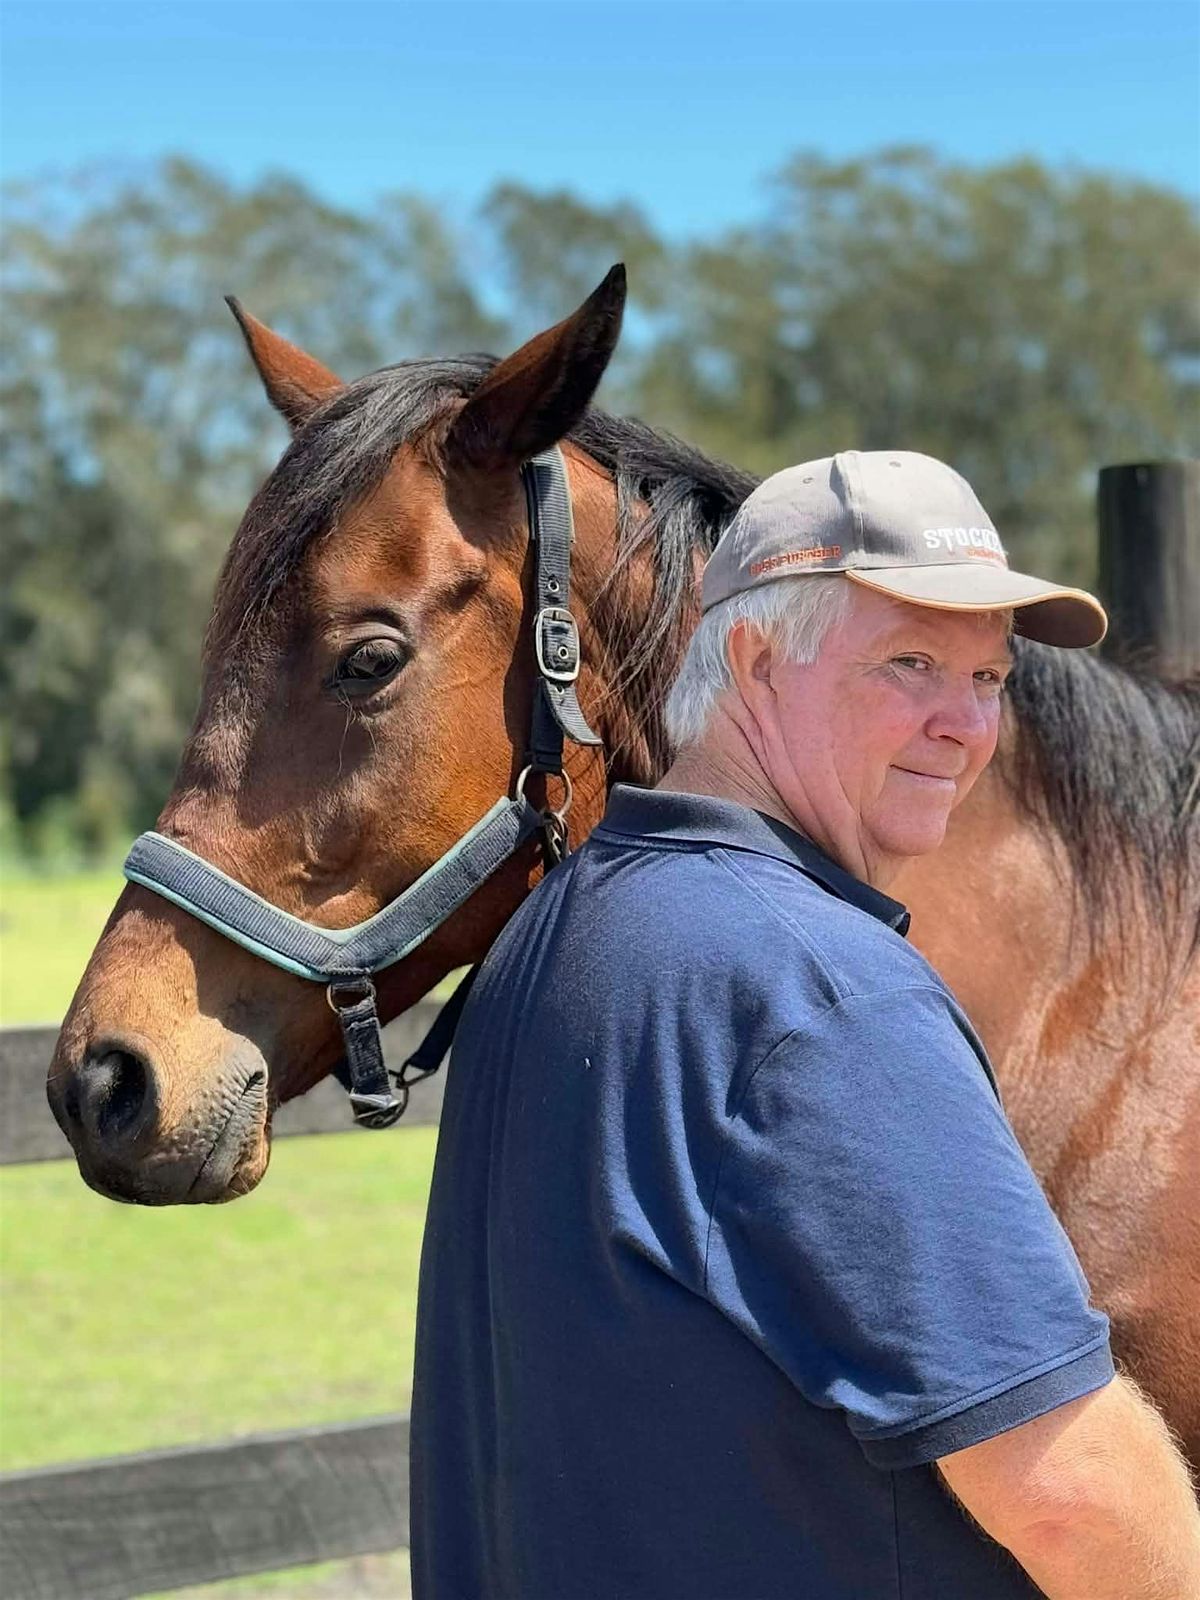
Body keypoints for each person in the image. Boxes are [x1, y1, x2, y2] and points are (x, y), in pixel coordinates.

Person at [411, 451, 1200, 1599]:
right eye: (911, 663)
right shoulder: (824, 992)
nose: (964, 725)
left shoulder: (550, 937)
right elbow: (1073, 1493)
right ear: (754, 657)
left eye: (988, 676)